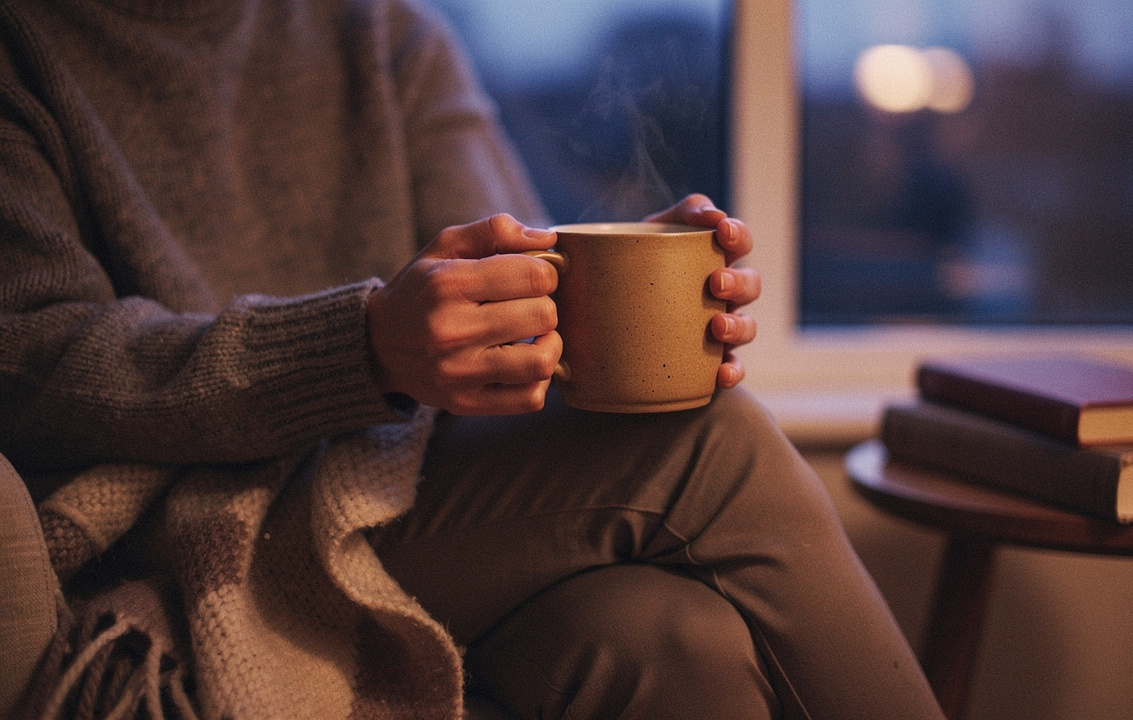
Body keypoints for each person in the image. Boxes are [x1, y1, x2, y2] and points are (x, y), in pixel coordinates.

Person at [0, 0, 946, 718]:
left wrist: (628, 302)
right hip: (182, 518)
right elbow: (33, 358)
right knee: (713, 442)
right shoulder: (26, 49)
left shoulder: (386, 35)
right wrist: (361, 346)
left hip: (404, 494)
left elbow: (512, 271)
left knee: (661, 637)